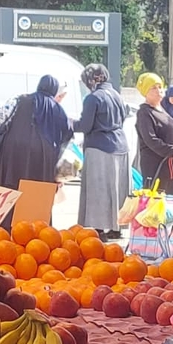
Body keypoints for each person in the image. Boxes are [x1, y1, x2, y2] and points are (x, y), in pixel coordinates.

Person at [0, 74, 73, 193]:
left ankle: (11, 211)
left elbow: (2, 116)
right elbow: (67, 134)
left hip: (13, 153)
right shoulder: (58, 109)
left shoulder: (19, 100)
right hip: (43, 157)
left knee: (11, 188)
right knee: (37, 192)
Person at [75, 64, 130, 241]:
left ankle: (98, 228)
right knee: (117, 188)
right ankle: (117, 227)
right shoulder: (117, 95)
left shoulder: (93, 98)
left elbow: (85, 125)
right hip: (121, 145)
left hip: (99, 147)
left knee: (98, 189)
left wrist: (68, 124)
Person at [135, 73, 173, 194]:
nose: (158, 90)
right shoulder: (144, 113)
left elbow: (167, 134)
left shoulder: (162, 109)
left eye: (159, 86)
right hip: (157, 168)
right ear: (145, 92)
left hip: (172, 167)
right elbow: (151, 140)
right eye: (153, 87)